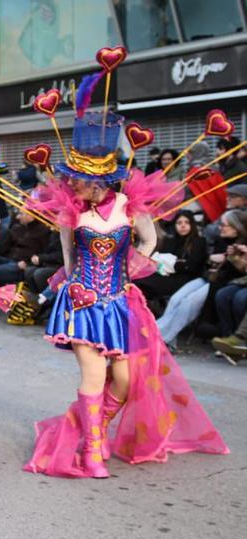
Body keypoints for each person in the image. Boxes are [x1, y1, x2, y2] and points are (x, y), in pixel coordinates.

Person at [24, 110, 227, 478]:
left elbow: (149, 239)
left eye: (79, 181)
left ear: (98, 181)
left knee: (126, 380)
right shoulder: (70, 212)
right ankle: (92, 450)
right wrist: (74, 287)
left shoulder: (129, 205)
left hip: (118, 303)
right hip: (82, 304)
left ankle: (88, 430)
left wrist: (135, 265)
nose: (72, 186)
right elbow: (70, 255)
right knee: (93, 374)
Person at [156, 209, 246, 346]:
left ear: (236, 227)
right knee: (176, 299)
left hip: (221, 282)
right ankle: (158, 333)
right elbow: (207, 262)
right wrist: (212, 258)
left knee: (189, 303)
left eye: (224, 225)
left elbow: (237, 271)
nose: (220, 228)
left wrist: (232, 258)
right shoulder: (221, 240)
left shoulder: (242, 245)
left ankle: (162, 338)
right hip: (208, 277)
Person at [135, 209, 207, 313]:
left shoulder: (198, 242)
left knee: (146, 284)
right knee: (139, 281)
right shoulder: (170, 241)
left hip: (185, 279)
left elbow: (192, 266)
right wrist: (177, 263)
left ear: (192, 224)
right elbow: (160, 260)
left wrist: (173, 264)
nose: (183, 226)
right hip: (166, 275)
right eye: (179, 223)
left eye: (186, 222)